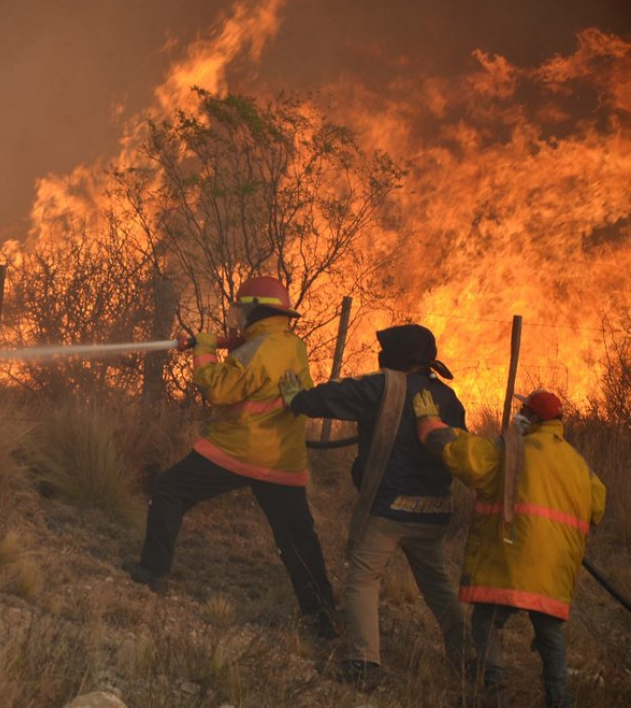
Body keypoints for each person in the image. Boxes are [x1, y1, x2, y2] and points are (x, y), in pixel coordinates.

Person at [122, 276, 338, 637]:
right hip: (282, 457)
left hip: (239, 449)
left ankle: (152, 572)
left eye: (242, 310)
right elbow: (266, 369)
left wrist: (204, 351)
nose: (237, 317)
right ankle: (323, 617)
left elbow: (219, 389)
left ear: (255, 310)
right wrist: (232, 343)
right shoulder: (291, 345)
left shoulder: (255, 350)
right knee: (297, 537)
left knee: (170, 490)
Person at [279, 324, 468, 690]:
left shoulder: (383, 386)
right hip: (434, 511)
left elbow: (336, 396)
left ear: (399, 356)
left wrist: (297, 399)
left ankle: (364, 663)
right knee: (437, 585)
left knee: (363, 577)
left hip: (391, 509)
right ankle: (468, 657)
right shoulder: (447, 397)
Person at [413, 388, 606, 708]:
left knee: (485, 622)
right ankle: (560, 700)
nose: (519, 418)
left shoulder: (510, 450)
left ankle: (497, 687)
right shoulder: (579, 464)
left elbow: (462, 454)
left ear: (532, 418)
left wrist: (429, 422)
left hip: (510, 559)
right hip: (555, 568)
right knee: (549, 631)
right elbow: (597, 506)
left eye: (524, 413)